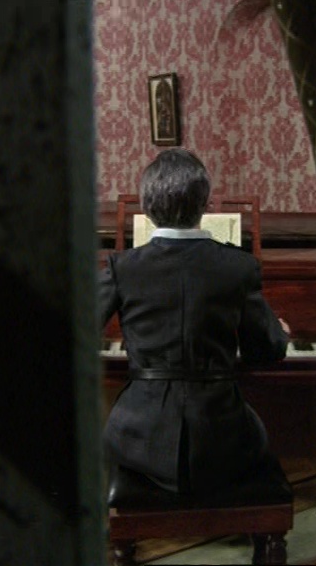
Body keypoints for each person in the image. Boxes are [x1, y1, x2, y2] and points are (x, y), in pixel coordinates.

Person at [99, 148, 290, 495]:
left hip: (138, 439)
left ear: (146, 207)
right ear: (206, 204)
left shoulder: (121, 268)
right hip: (224, 440)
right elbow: (266, 351)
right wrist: (279, 332)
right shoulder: (240, 267)